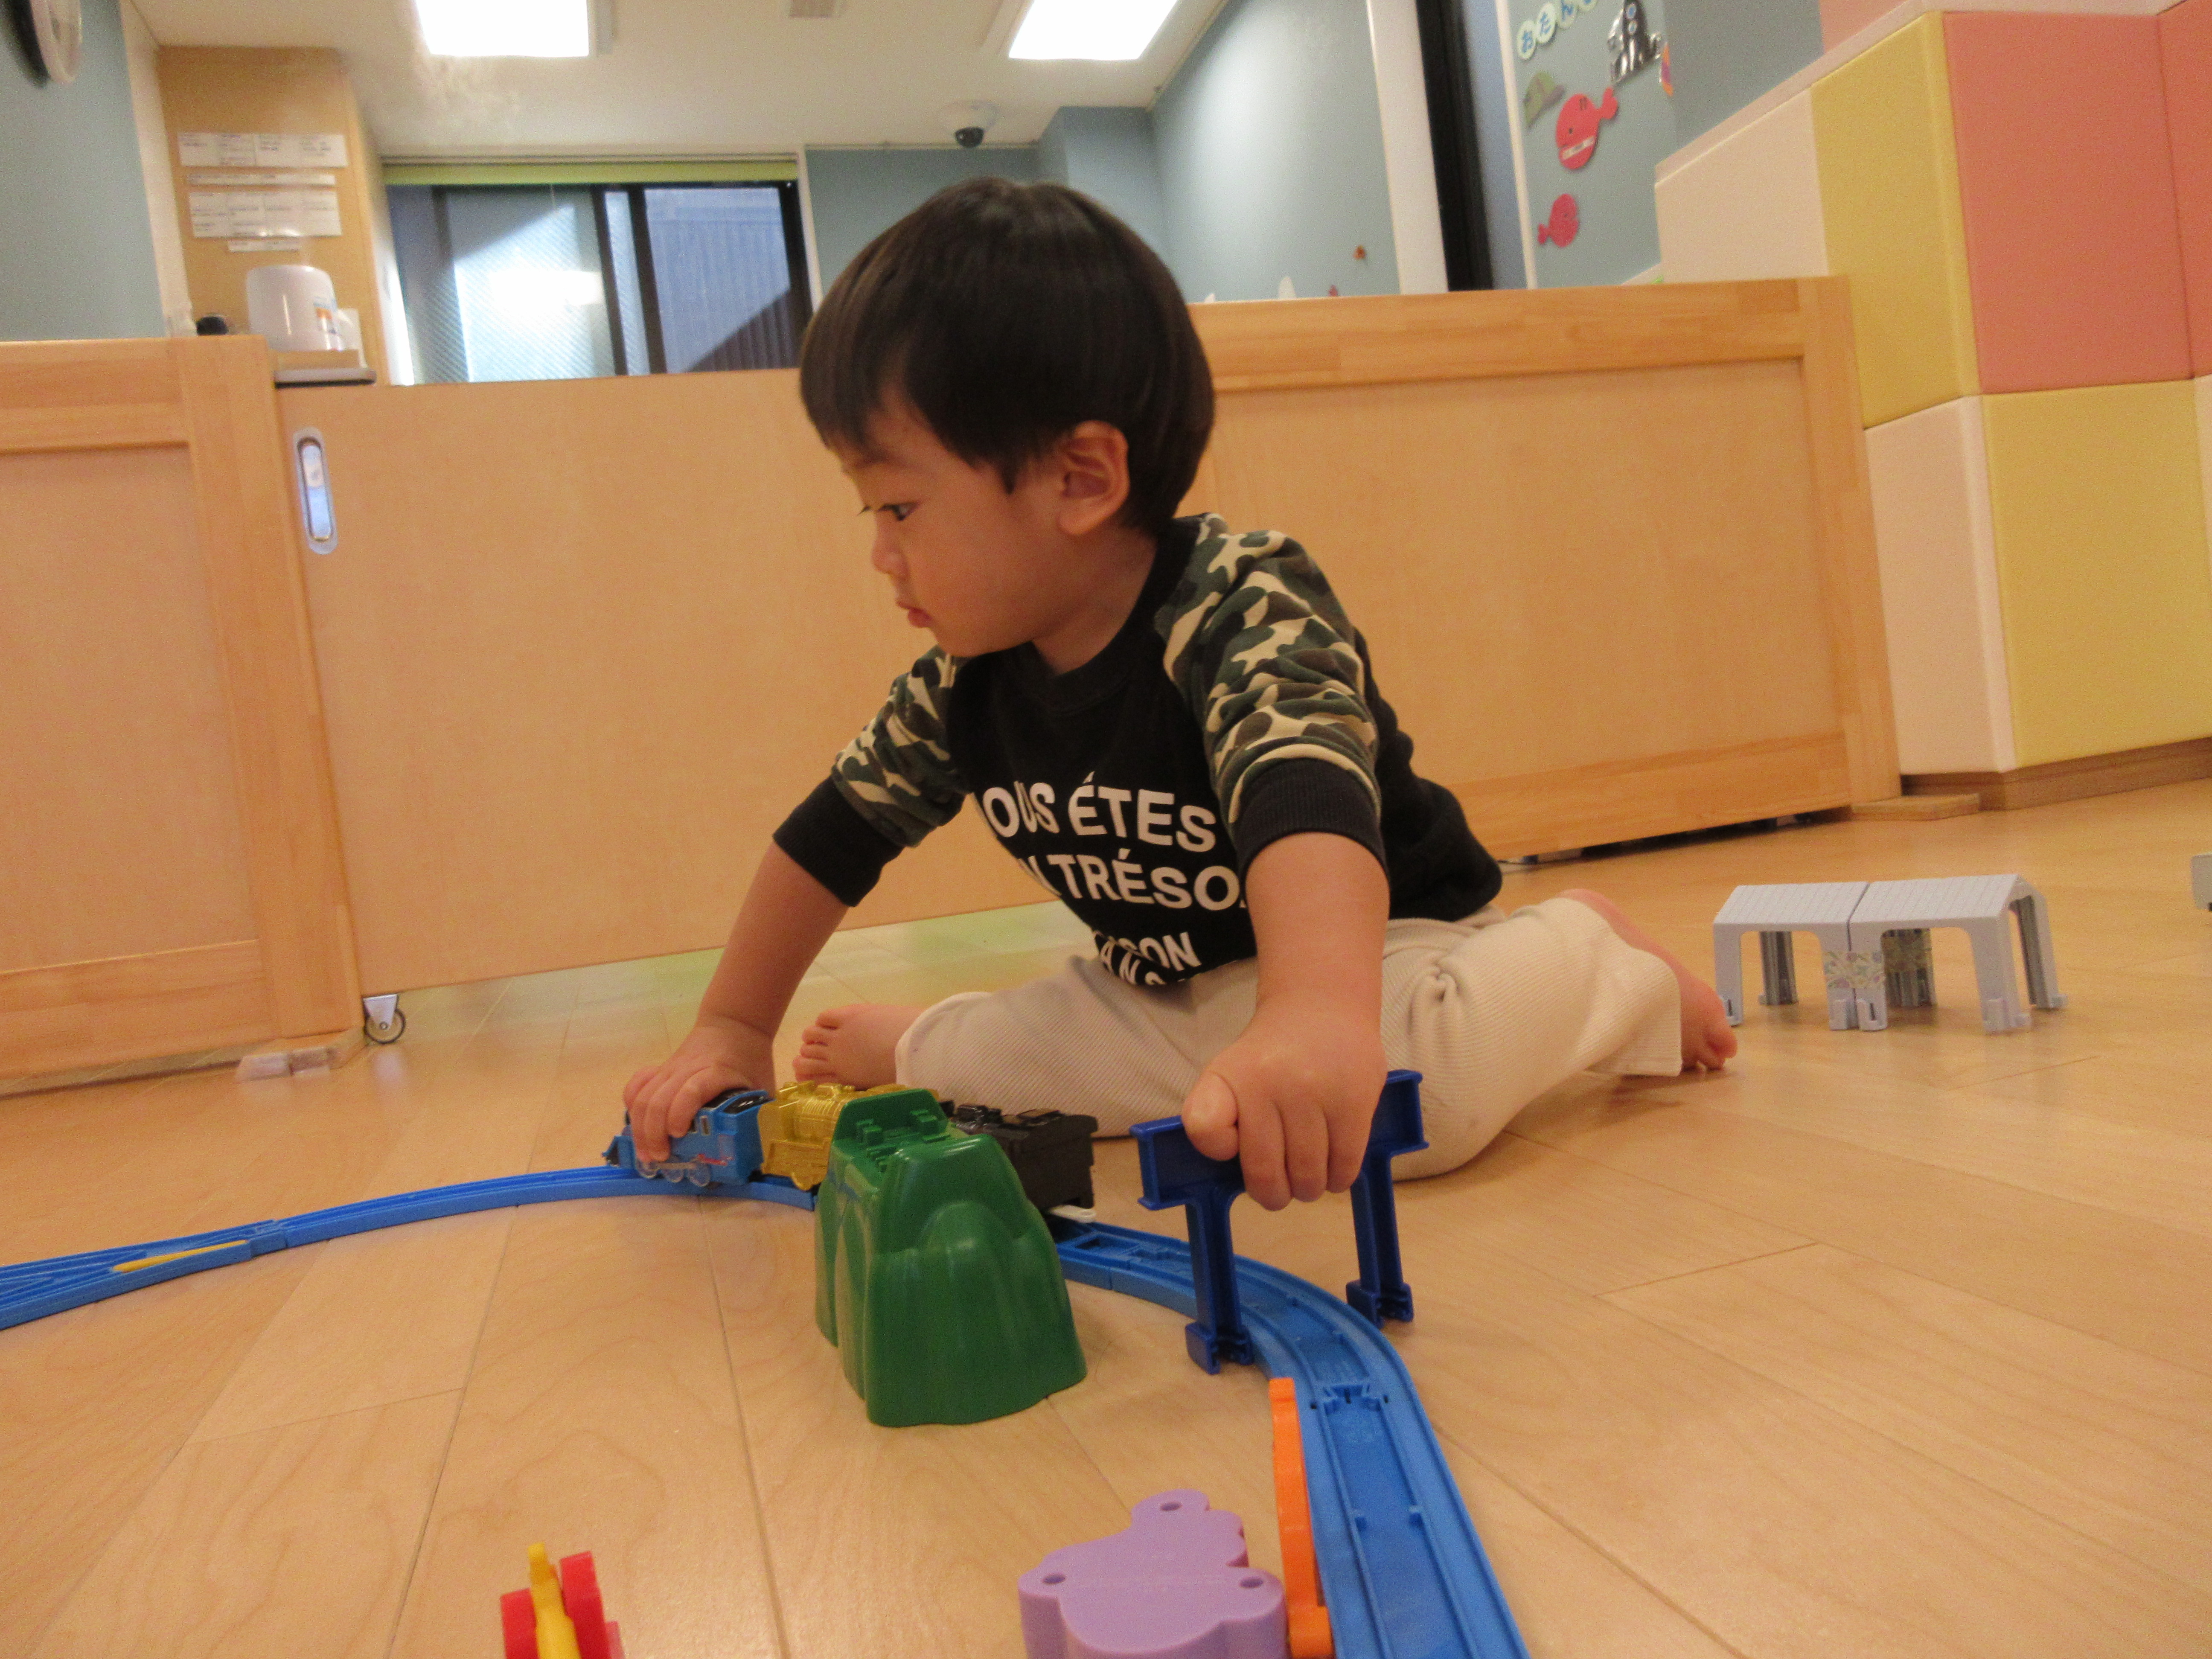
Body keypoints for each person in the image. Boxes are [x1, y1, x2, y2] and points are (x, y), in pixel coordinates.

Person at [622, 178, 1735, 1210]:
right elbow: (829, 836)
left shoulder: (1237, 602)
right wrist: (732, 1024)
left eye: (900, 509)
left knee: (1418, 1102)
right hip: (1174, 993)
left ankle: (1590, 952)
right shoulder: (964, 683)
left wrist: (1314, 1015)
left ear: (1081, 479)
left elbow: (1300, 790)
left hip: (1386, 957)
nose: (881, 554)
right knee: (1016, 1068)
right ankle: (926, 1046)